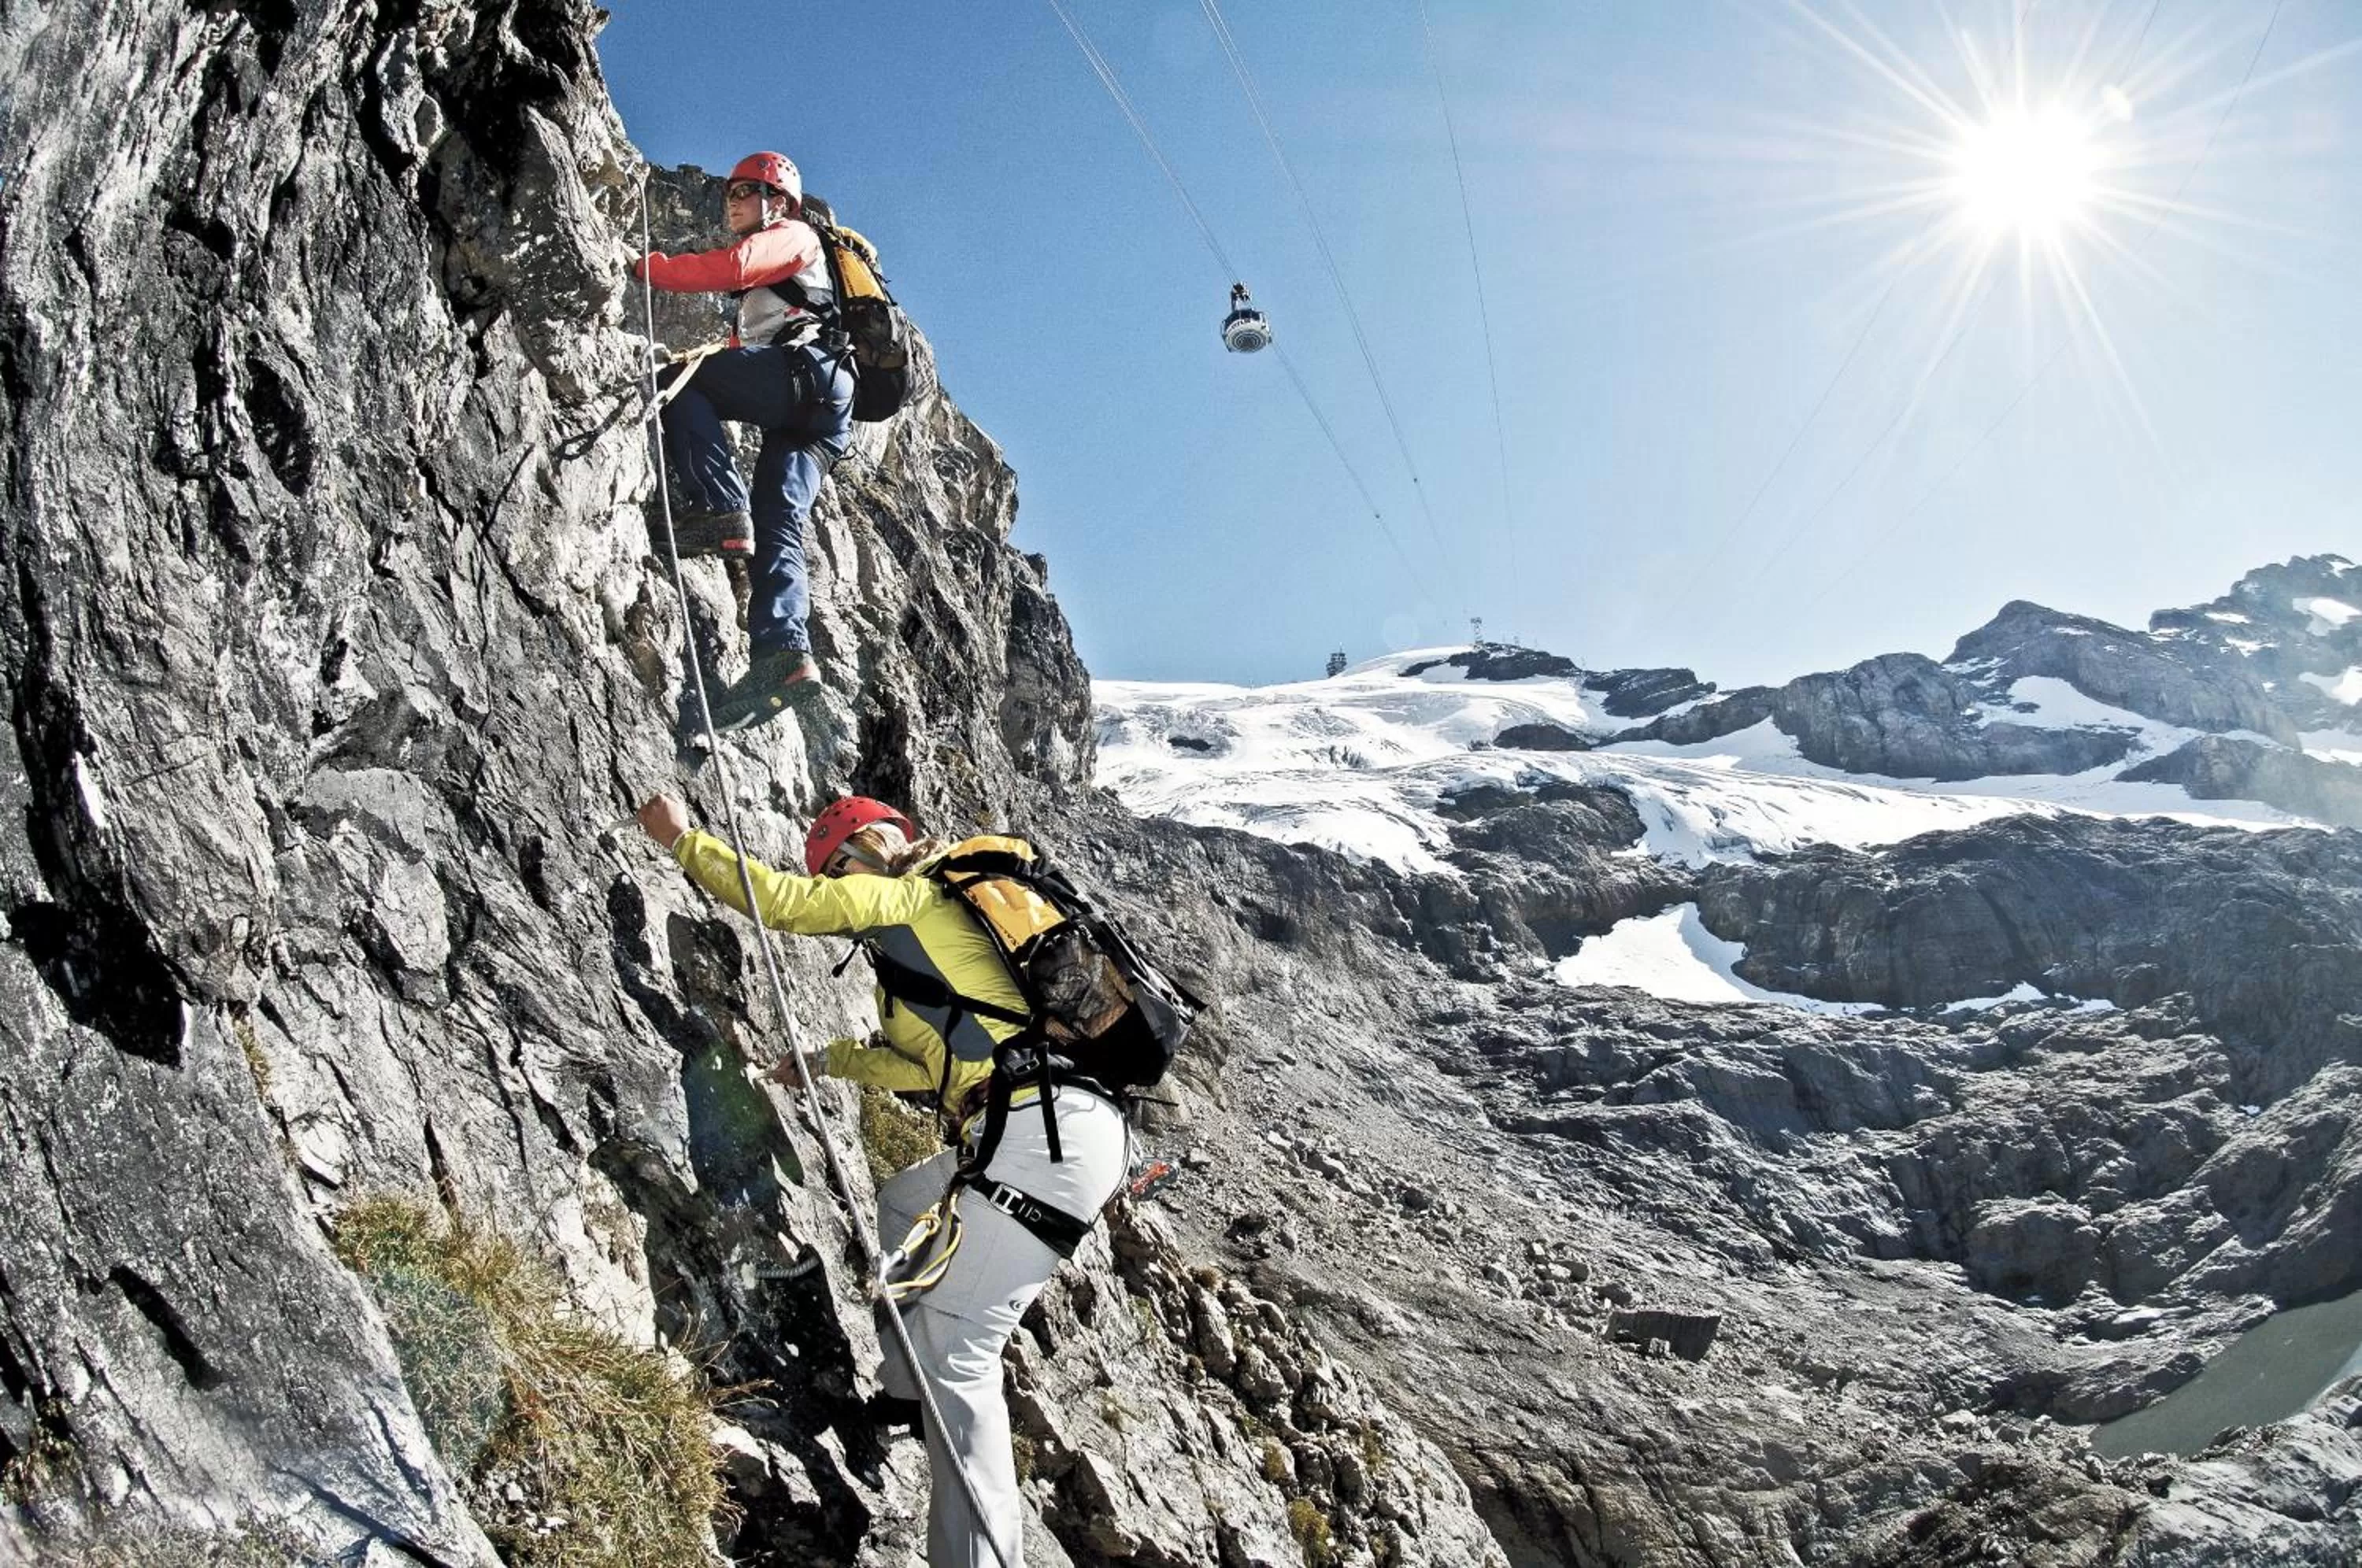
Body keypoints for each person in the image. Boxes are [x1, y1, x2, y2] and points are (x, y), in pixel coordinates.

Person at [635, 790, 1127, 1568]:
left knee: (961, 1354)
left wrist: (681, 841)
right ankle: (903, 1397)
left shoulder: (910, 896)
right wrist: (830, 1061)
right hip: (1050, 1127)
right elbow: (925, 1067)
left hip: (1037, 1132)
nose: (837, 879)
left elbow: (784, 903)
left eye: (839, 864)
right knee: (902, 1203)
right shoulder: (933, 944)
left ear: (865, 848)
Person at [632, 152, 855, 733]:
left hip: (804, 376)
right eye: (730, 191)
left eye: (744, 190)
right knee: (779, 518)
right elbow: (750, 346)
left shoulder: (792, 235)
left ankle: (715, 509)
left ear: (777, 200)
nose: (731, 200)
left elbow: (732, 267)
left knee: (679, 384)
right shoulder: (784, 288)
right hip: (822, 409)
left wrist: (644, 268)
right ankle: (783, 653)